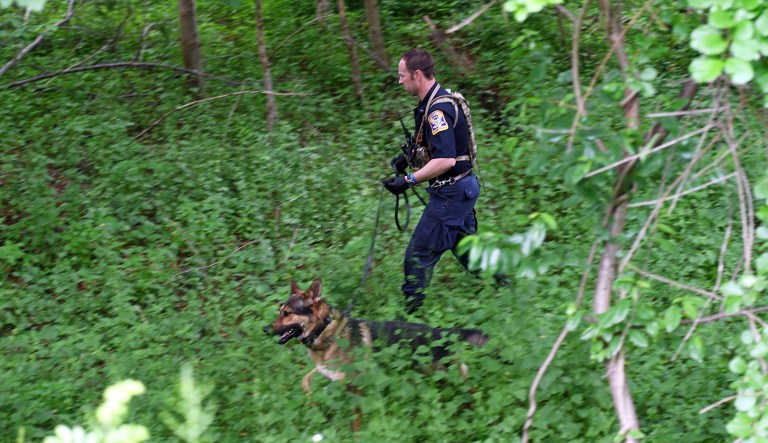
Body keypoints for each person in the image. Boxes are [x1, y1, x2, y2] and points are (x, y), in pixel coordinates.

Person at [382, 49, 480, 315]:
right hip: (461, 190)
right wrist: (407, 159)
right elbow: (437, 149)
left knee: (417, 256)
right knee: (470, 253)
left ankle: (410, 321)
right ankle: (504, 289)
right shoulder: (432, 103)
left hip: (451, 195)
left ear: (417, 75)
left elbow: (446, 160)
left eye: (402, 76)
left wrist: (408, 180)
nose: (399, 81)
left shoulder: (438, 110)